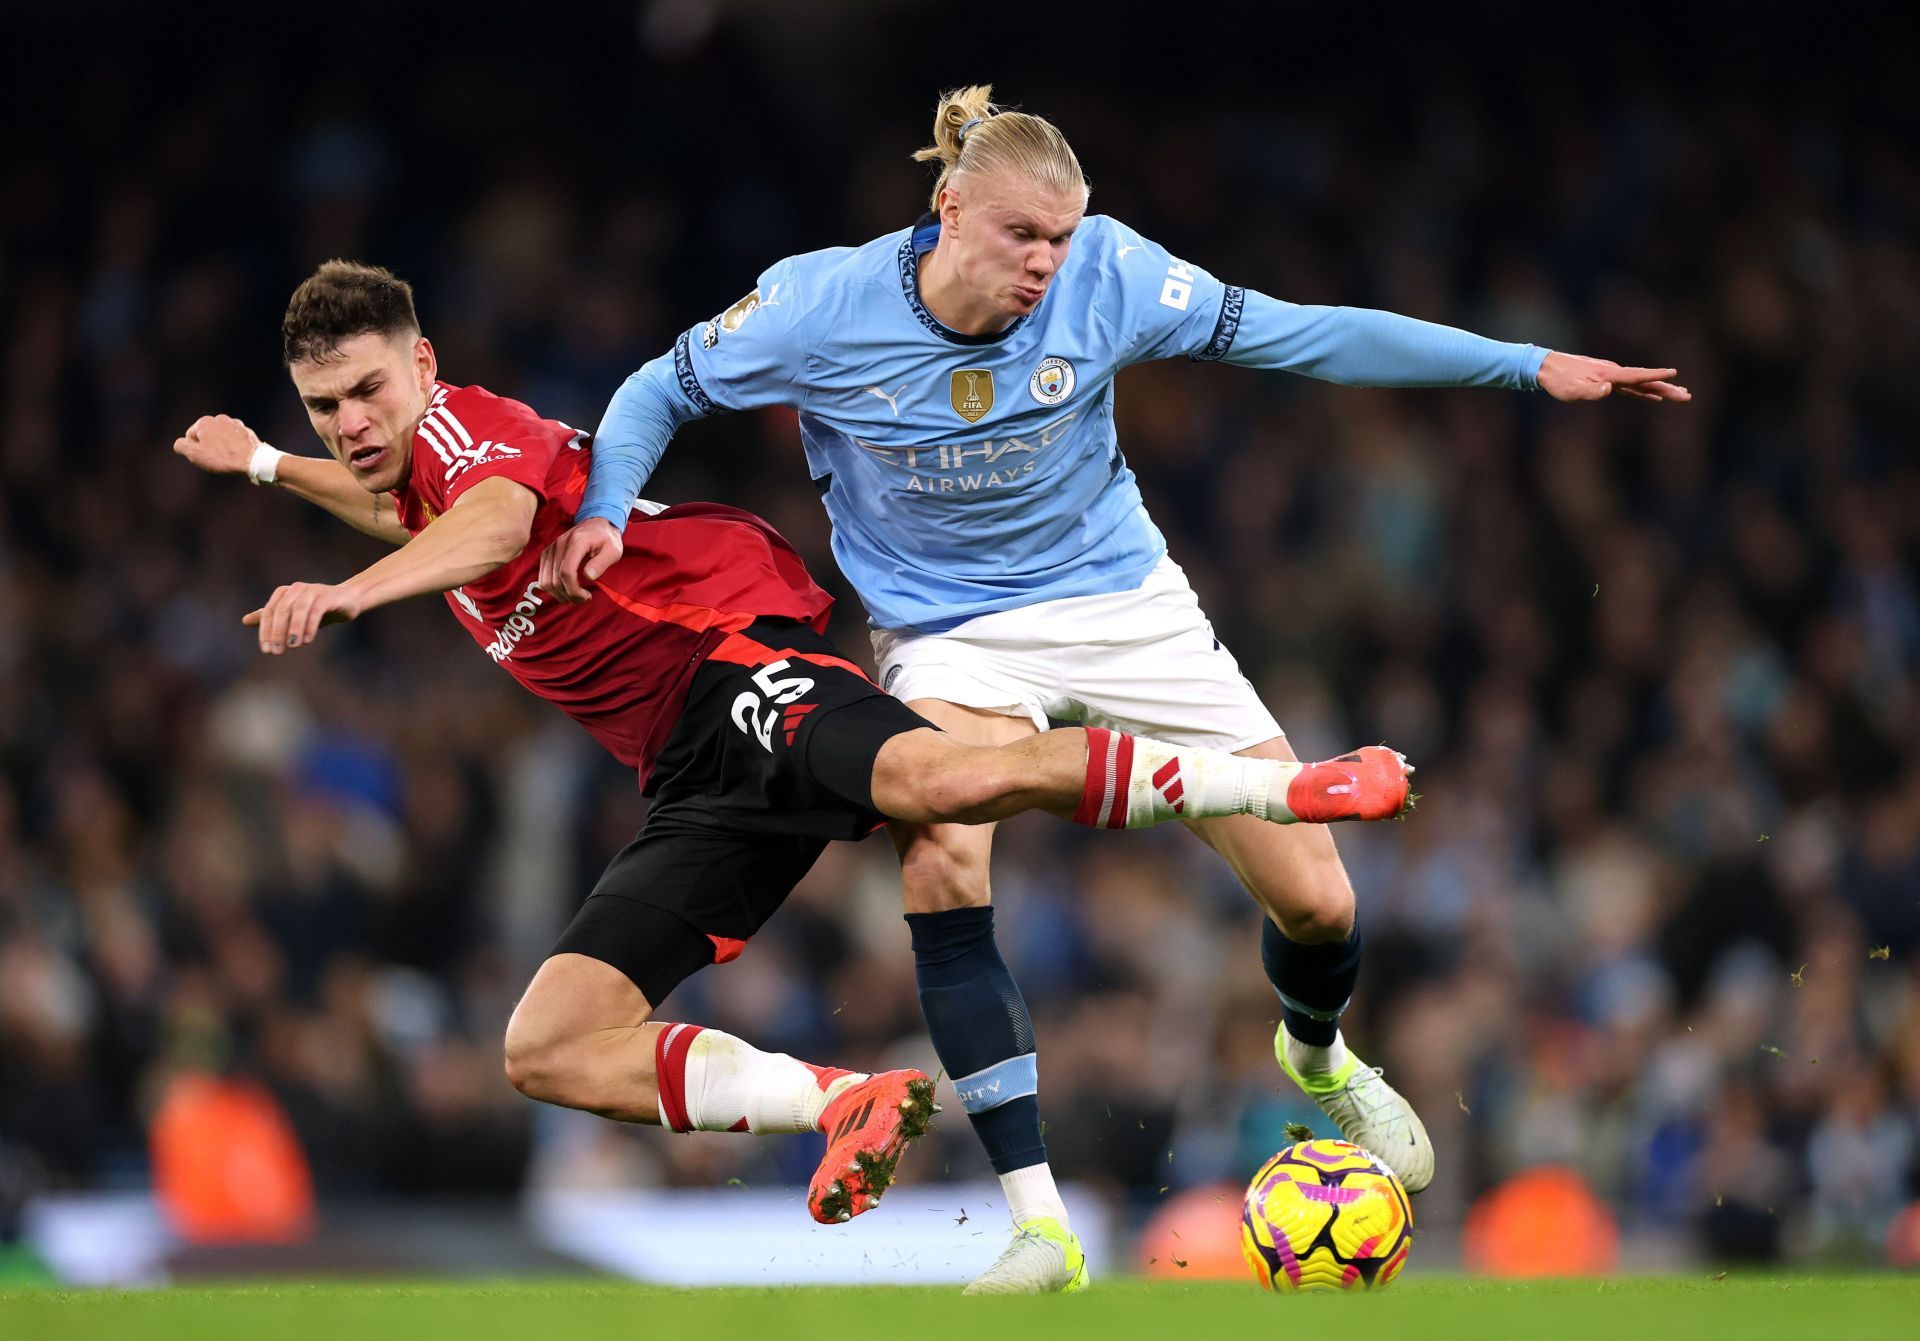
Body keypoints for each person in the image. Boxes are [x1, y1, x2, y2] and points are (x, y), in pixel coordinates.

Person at [543, 85, 1690, 1292]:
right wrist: (609, 509)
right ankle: (1041, 1226)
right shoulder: (819, 303)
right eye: (1020, 237)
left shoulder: (1115, 276)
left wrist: (1526, 365)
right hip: (950, 636)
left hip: (1125, 609)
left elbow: (1306, 333)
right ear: (946, 211)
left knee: (1321, 908)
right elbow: (655, 388)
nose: (1047, 264)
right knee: (939, 844)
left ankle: (1320, 1059)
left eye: (1061, 238)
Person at [172, 260, 1415, 1244]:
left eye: (368, 393)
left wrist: (349, 597)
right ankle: (843, 1101)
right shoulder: (404, 475)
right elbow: (391, 497)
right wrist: (272, 466)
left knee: (944, 780)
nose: (352, 423)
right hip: (687, 767)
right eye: (325, 406)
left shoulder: (467, 434)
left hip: (731, 662)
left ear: (422, 366)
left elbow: (492, 518)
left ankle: (1283, 786)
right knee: (546, 1046)